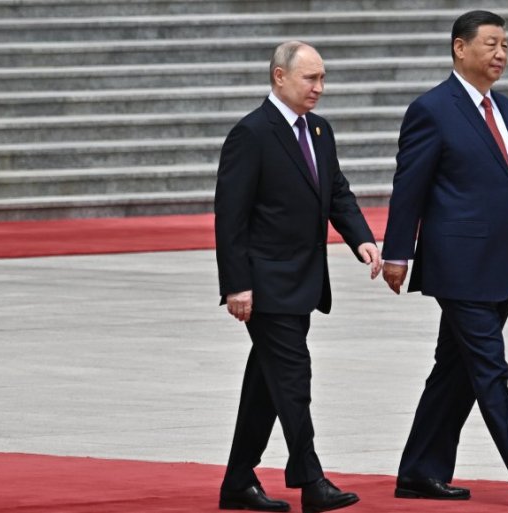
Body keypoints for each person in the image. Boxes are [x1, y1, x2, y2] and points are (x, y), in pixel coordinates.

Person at [381, 10, 508, 507]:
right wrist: (397, 252)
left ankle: (419, 472)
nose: (501, 53)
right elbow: (409, 187)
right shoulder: (431, 109)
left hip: (504, 262)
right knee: (489, 367)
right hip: (458, 265)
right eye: (491, 44)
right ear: (460, 48)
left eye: (505, 45)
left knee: (456, 369)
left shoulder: (507, 109)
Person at [214, 41, 380, 513]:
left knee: (266, 384)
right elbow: (230, 217)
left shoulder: (320, 131)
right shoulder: (252, 133)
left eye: (323, 78)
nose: (319, 87)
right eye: (310, 78)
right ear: (279, 77)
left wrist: (361, 238)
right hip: (266, 283)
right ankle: (310, 479)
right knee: (293, 379)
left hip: (303, 281)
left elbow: (337, 191)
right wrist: (236, 284)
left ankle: (237, 481)